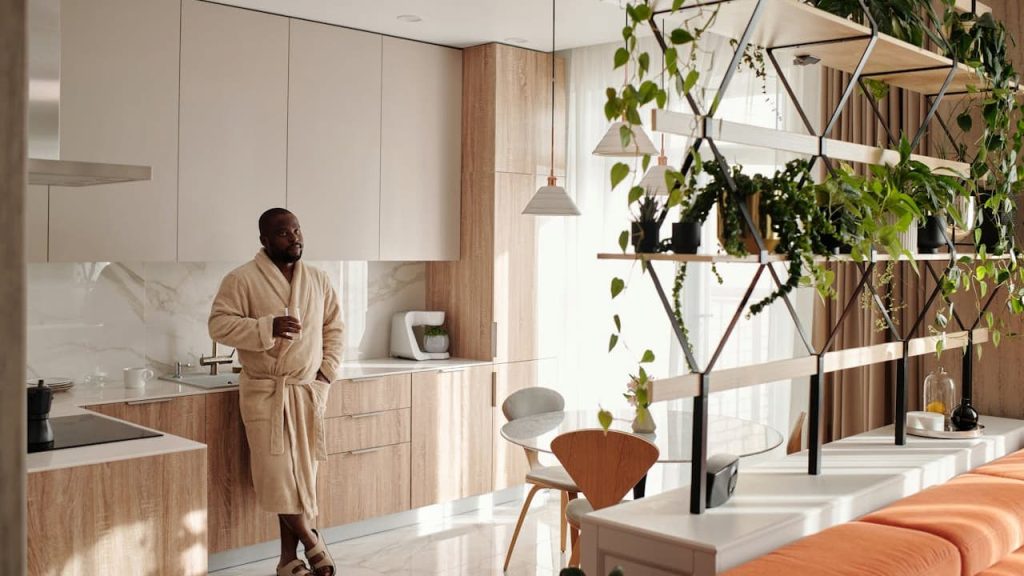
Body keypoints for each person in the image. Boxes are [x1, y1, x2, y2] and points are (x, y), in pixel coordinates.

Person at [209, 208, 342, 576]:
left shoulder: (318, 279)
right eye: (284, 233)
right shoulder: (241, 280)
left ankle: (286, 560)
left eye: (297, 229)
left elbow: (335, 327)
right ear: (265, 241)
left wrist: (325, 373)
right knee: (279, 476)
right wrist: (266, 327)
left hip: (306, 391)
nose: (295, 237)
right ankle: (312, 540)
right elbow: (219, 325)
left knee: (301, 478)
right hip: (266, 391)